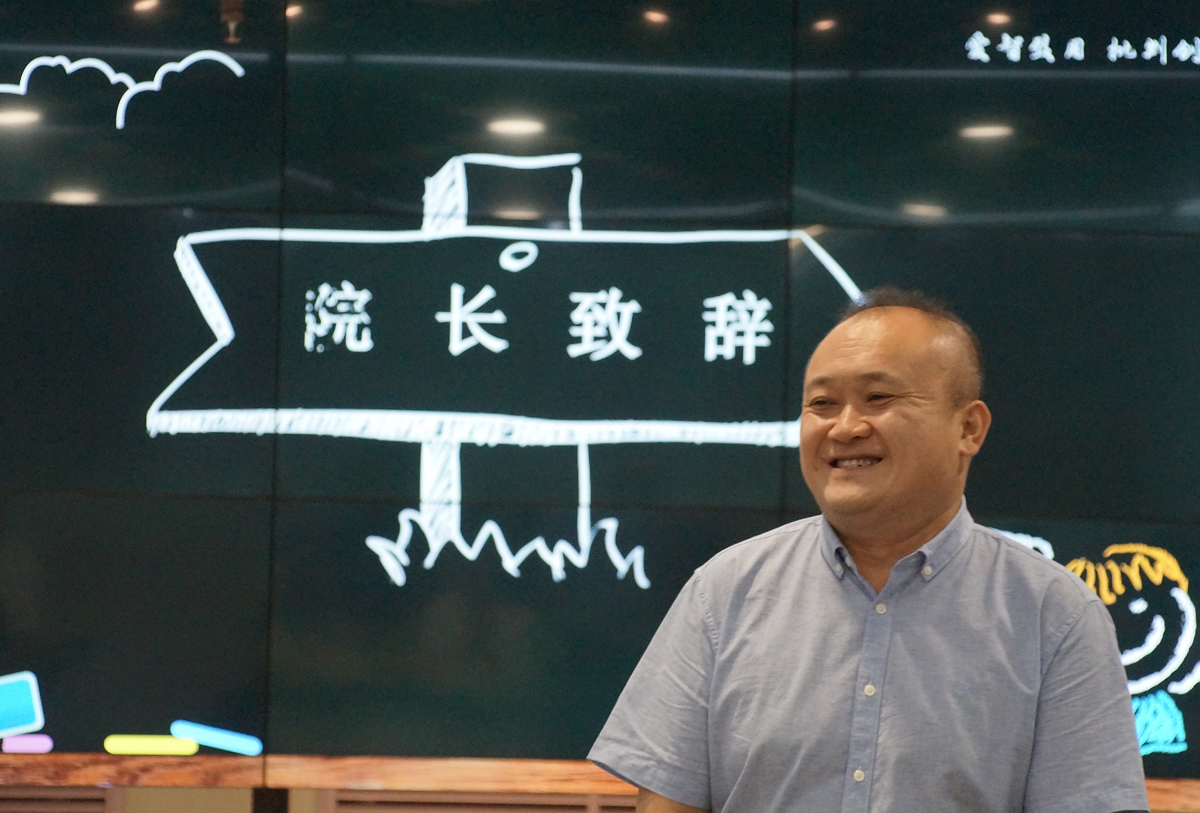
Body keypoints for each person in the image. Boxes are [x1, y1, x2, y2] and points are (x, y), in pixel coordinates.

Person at [589, 288, 1148, 813]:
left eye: (878, 398)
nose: (845, 427)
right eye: (822, 404)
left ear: (968, 428)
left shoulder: (1055, 617)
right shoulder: (724, 592)